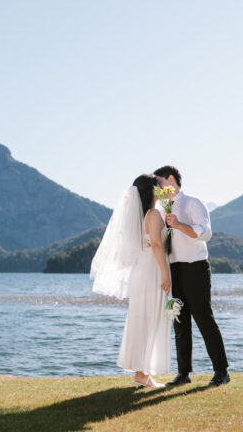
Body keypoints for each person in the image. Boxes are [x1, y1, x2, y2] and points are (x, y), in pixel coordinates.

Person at [90, 174, 171, 388]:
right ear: (153, 191)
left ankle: (141, 374)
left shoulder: (144, 216)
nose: (163, 189)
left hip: (142, 270)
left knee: (143, 320)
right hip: (152, 269)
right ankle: (142, 374)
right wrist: (165, 273)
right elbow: (155, 244)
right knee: (150, 320)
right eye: (159, 186)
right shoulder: (153, 215)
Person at [154, 165, 230, 387]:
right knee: (179, 320)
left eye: (159, 182)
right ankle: (183, 373)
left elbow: (206, 233)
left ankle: (222, 371)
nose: (158, 188)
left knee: (204, 319)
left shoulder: (193, 202)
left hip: (195, 267)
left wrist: (178, 224)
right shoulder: (161, 209)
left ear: (170, 179)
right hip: (174, 269)